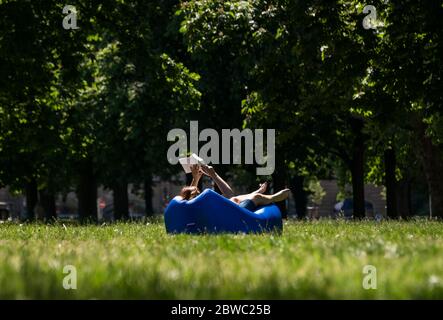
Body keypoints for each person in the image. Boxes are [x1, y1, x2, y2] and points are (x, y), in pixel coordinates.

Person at [178, 164, 290, 211]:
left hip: (230, 209)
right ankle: (272, 197)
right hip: (230, 214)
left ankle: (258, 193)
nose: (197, 192)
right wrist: (213, 175)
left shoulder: (197, 203)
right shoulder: (193, 206)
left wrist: (196, 177)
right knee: (252, 197)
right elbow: (189, 200)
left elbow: (189, 196)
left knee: (233, 198)